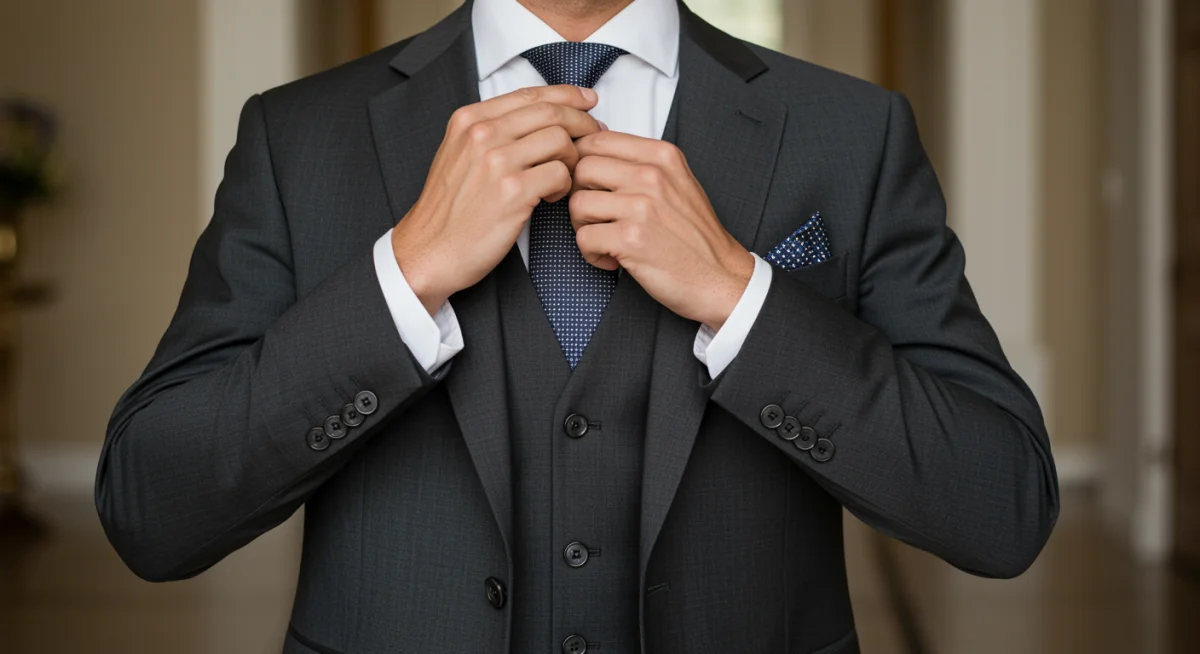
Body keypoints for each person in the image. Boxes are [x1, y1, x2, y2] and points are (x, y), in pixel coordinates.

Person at [95, 0, 1059, 652]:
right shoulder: (298, 135)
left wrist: (740, 293)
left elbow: (1001, 503)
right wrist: (406, 274)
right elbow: (153, 509)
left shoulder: (850, 132)